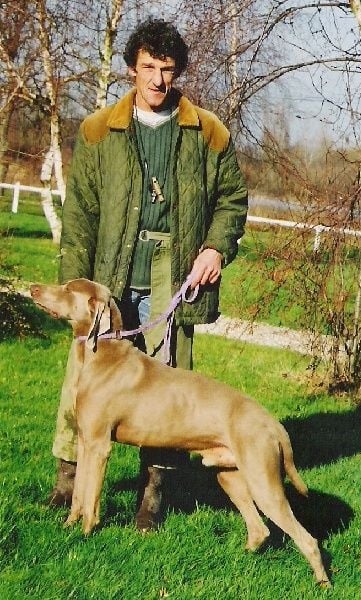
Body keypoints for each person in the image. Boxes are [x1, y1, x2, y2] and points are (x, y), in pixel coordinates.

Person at [49, 17, 248, 531]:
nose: (158, 80)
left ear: (177, 71)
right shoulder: (98, 131)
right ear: (131, 68)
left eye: (167, 69)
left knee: (166, 387)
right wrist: (73, 292)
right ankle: (68, 480)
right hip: (109, 273)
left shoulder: (208, 132)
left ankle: (154, 493)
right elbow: (80, 216)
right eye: (148, 67)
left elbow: (232, 200)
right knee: (83, 379)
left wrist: (215, 248)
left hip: (173, 273)